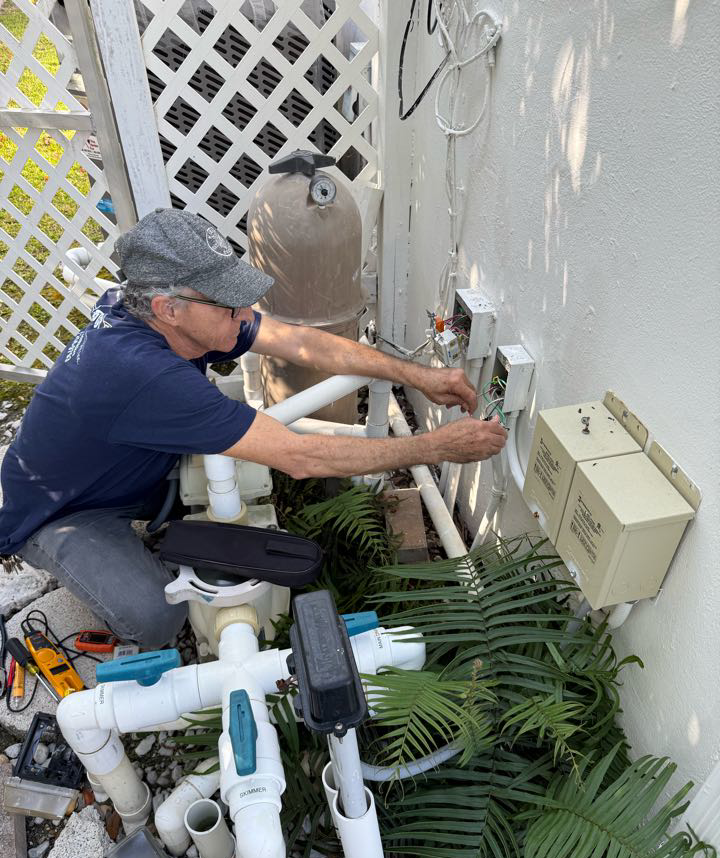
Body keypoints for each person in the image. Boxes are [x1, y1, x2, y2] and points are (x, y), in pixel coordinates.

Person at [0, 210, 506, 649]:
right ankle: (78, 554)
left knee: (225, 440)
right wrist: (438, 446)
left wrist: (420, 375)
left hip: (122, 463)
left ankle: (153, 510)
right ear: (167, 309)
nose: (244, 314)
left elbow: (304, 345)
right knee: (156, 617)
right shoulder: (144, 374)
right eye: (227, 304)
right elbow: (302, 458)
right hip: (62, 509)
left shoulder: (142, 308)